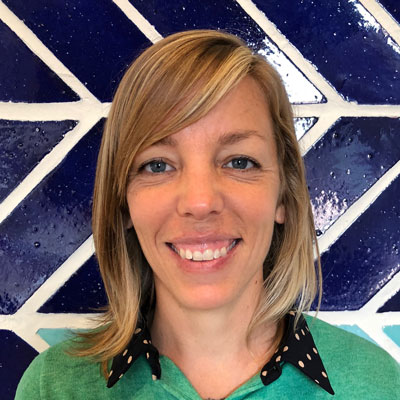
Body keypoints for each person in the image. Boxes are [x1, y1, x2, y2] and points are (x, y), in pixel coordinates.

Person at [16, 30, 399, 399]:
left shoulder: (376, 385)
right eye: (157, 165)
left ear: (283, 195)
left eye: (239, 161)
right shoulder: (57, 387)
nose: (200, 202)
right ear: (124, 202)